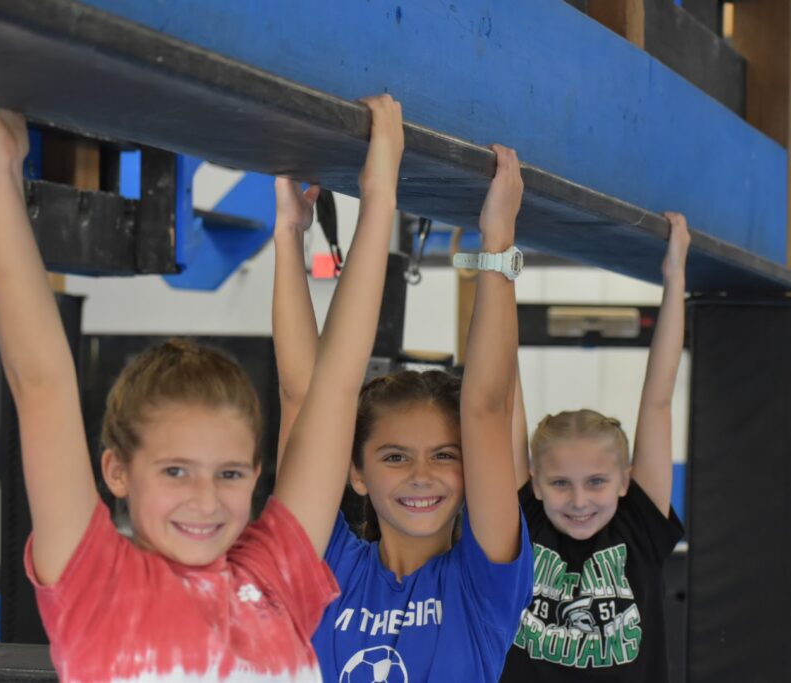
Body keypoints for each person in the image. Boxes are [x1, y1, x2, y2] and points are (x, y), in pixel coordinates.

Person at [0, 93, 403, 682]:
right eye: (176, 470)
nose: (206, 499)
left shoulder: (272, 580)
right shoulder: (98, 583)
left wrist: (377, 200)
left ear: (255, 475)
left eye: (229, 472)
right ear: (117, 470)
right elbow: (40, 380)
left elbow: (334, 388)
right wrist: (0, 172)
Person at [273, 145, 533, 682]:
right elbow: (303, 401)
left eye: (444, 454)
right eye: (394, 456)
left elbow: (485, 409)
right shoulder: (328, 569)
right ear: (357, 473)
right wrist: (287, 233)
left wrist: (498, 244)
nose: (422, 474)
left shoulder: (484, 585)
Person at [500, 212, 690, 681]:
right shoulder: (525, 519)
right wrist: (500, 263)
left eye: (597, 482)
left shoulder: (640, 526)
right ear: (536, 482)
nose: (580, 500)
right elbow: (503, 391)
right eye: (561, 483)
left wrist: (675, 280)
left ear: (626, 479)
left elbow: (659, 401)